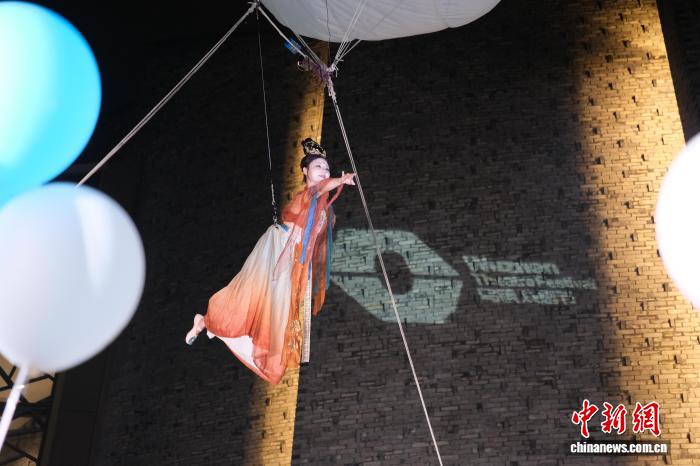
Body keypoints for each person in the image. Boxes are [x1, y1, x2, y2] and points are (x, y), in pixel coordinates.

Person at [185, 138, 355, 384]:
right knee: (253, 296)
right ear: (305, 170)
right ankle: (209, 319)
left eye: (327, 168)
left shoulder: (324, 207)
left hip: (294, 259)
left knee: (275, 311)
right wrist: (340, 180)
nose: (324, 171)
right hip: (279, 246)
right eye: (318, 166)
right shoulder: (311, 193)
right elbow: (320, 188)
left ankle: (204, 322)